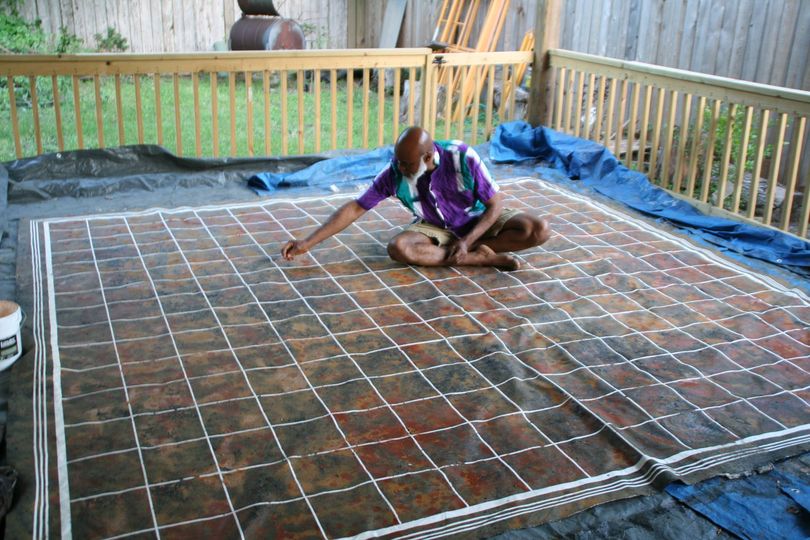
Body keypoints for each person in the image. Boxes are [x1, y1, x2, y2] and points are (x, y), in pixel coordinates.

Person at [281, 126, 550, 270]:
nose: (400, 168)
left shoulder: (463, 156)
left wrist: (467, 240)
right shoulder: (395, 171)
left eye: (407, 164)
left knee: (537, 230)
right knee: (399, 248)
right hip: (434, 227)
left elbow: (495, 205)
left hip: (477, 219)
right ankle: (481, 259)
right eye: (397, 161)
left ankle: (464, 250)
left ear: (427, 157)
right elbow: (355, 208)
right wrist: (308, 242)